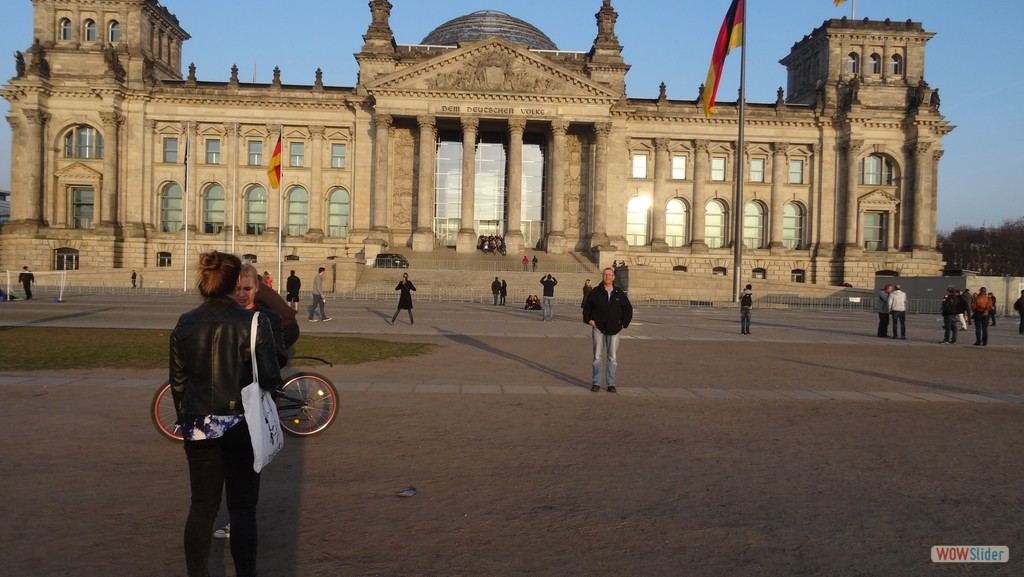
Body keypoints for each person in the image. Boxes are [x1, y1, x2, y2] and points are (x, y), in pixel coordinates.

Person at [169, 251, 283, 577]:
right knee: (243, 509)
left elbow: (178, 383)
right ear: (236, 283)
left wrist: (190, 420)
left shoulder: (185, 322)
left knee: (201, 508)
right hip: (243, 425)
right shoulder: (254, 322)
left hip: (198, 425)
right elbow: (272, 378)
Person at [582, 267, 633, 393]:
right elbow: (587, 308)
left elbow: (628, 309)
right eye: (606, 274)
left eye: (610, 275)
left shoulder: (618, 293)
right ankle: (596, 382)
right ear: (602, 276)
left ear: (613, 277)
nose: (608, 277)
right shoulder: (595, 292)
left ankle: (611, 383)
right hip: (598, 328)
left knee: (612, 358)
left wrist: (623, 324)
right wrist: (589, 320)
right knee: (597, 357)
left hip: (614, 330)